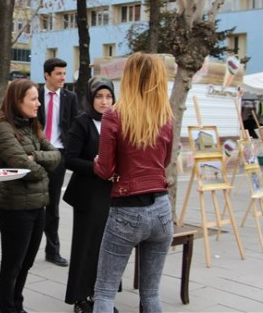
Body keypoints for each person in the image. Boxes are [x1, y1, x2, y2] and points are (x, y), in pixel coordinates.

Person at [93, 52, 174, 313]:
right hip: (161, 208)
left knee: (105, 292)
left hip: (127, 208)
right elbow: (165, 160)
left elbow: (105, 170)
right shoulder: (166, 116)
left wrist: (96, 161)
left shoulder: (114, 115)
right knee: (150, 294)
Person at [0, 79, 61, 313]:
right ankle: (8, 309)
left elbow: (57, 156)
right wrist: (40, 168)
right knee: (12, 265)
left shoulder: (31, 126)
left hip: (38, 207)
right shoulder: (2, 128)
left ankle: (17, 307)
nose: (38, 103)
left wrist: (35, 158)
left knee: (26, 263)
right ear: (17, 101)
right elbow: (22, 166)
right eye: (33, 99)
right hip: (15, 210)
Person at [63, 77, 116, 313]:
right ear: (90, 98)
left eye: (108, 96)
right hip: (88, 194)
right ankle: (80, 297)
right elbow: (70, 159)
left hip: (111, 194)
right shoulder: (82, 122)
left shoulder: (117, 121)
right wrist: (95, 167)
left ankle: (103, 297)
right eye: (99, 97)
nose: (104, 102)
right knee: (87, 246)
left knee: (109, 247)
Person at [37, 57, 79, 267]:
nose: (63, 77)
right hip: (35, 155)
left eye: (64, 73)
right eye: (59, 74)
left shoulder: (70, 97)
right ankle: (28, 247)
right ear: (47, 75)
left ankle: (52, 250)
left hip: (58, 155)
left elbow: (74, 124)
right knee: (33, 202)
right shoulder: (33, 94)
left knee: (52, 205)